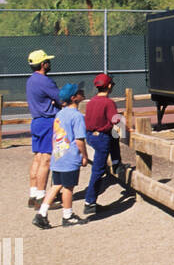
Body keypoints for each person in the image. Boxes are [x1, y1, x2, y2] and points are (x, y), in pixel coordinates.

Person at [33, 83, 89, 229]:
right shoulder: (77, 116)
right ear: (74, 98)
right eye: (79, 92)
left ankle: (41, 213)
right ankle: (68, 215)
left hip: (58, 155)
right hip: (70, 157)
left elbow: (55, 136)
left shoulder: (59, 114)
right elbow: (79, 140)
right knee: (68, 187)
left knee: (56, 185)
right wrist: (84, 156)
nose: (82, 93)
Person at [83, 73, 123, 215]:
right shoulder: (108, 102)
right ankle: (89, 202)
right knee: (98, 170)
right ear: (109, 86)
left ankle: (117, 163)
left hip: (90, 135)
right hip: (101, 137)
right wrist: (121, 118)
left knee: (114, 136)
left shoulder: (91, 102)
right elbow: (115, 120)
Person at [26, 49, 61, 209]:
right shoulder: (45, 80)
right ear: (43, 64)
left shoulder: (31, 80)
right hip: (47, 122)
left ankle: (33, 194)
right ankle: (42, 197)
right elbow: (61, 98)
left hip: (36, 121)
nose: (49, 63)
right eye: (47, 61)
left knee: (38, 158)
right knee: (46, 159)